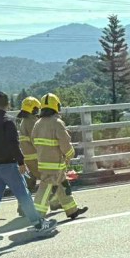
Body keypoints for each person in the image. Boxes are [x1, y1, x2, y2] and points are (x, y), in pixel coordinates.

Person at [0, 92, 57, 241]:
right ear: (8, 105)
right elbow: (14, 144)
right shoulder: (8, 121)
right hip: (8, 164)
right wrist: (21, 162)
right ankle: (39, 224)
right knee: (24, 194)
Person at [31, 93, 89, 222]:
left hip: (43, 162)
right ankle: (37, 215)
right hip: (55, 164)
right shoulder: (57, 123)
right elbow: (64, 143)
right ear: (56, 106)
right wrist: (70, 154)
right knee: (46, 187)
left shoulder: (38, 123)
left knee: (62, 185)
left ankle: (72, 210)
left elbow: (33, 141)